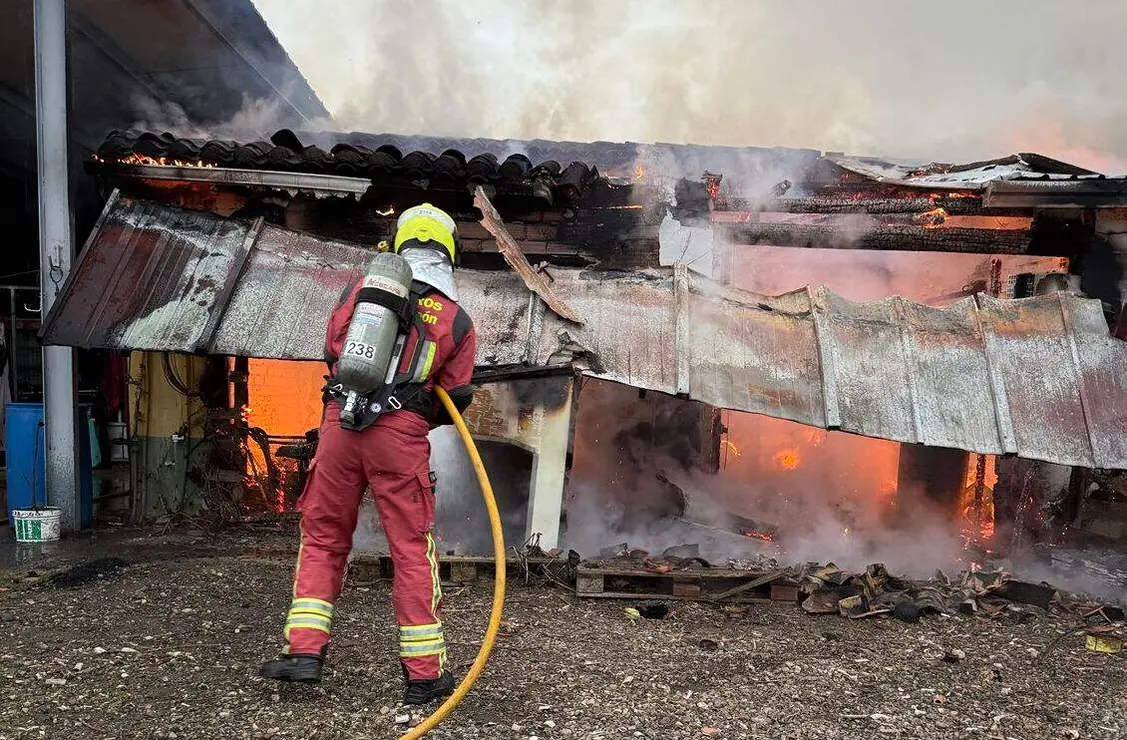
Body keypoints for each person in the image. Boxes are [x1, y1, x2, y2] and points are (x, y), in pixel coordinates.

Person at [260, 204, 476, 706]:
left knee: (323, 538)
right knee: (410, 549)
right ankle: (424, 677)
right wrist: (411, 414)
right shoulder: (455, 317)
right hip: (399, 437)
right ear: (449, 251)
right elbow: (457, 395)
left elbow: (334, 349)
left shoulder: (361, 293)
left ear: (398, 245)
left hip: (341, 424)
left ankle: (304, 653)